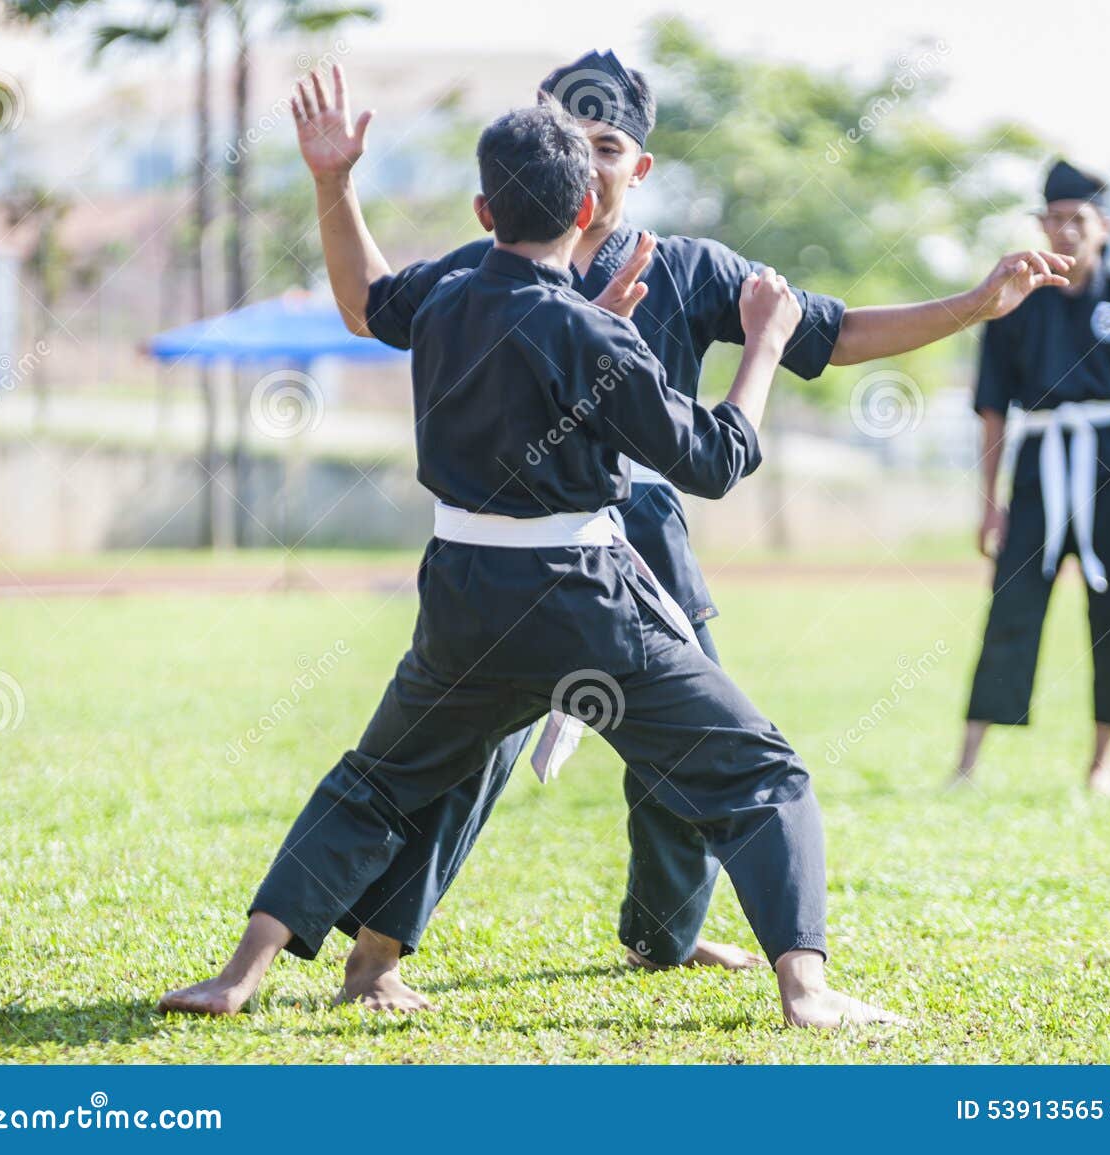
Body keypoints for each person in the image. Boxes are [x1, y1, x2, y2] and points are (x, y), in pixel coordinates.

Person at [294, 53, 1070, 1010]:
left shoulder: (689, 269)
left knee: (684, 762)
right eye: (570, 138)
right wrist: (335, 182)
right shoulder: (487, 268)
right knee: (463, 756)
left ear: (638, 167)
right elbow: (371, 305)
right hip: (507, 557)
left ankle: (667, 935)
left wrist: (973, 306)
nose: (588, 155)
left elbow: (827, 331)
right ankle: (375, 956)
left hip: (639, 550)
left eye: (608, 143)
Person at [159, 100, 906, 1029]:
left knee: (378, 778)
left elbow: (400, 307)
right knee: (763, 773)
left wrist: (336, 180)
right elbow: (713, 461)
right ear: (590, 211)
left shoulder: (443, 300)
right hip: (586, 609)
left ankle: (240, 973)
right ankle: (808, 990)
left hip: (461, 603)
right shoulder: (595, 334)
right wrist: (762, 344)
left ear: (482, 214)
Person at [955, 159, 1110, 797]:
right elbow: (992, 410)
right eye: (1050, 220)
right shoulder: (1014, 304)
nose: (1063, 232)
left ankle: (1102, 763)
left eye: (1075, 220)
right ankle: (968, 761)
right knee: (1011, 608)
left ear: (1103, 226)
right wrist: (989, 503)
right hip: (1039, 470)